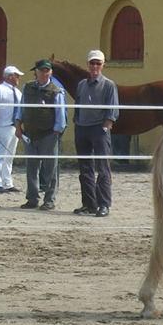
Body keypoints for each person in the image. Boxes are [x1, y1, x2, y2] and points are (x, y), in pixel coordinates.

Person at [72, 49, 119, 217]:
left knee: (103, 168)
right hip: (82, 128)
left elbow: (112, 110)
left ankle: (104, 204)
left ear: (103, 65)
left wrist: (105, 127)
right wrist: (77, 123)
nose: (94, 66)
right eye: (92, 63)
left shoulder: (108, 85)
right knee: (85, 169)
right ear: (88, 64)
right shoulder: (81, 85)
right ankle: (89, 203)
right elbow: (78, 105)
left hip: (99, 129)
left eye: (98, 63)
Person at [15, 59, 67, 211]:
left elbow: (60, 114)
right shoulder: (27, 88)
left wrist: (56, 132)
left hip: (49, 134)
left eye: (47, 70)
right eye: (42, 70)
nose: (44, 73)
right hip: (29, 133)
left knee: (50, 168)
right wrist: (18, 125)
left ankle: (49, 199)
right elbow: (21, 108)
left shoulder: (56, 91)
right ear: (35, 72)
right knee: (31, 167)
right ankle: (32, 198)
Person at [0, 65, 23, 194]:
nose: (18, 78)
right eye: (16, 75)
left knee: (10, 156)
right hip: (3, 126)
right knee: (0, 155)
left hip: (14, 127)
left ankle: (7, 182)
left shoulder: (18, 92)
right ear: (10, 76)